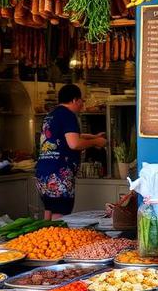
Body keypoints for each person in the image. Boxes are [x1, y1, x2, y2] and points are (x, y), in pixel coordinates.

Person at [35, 84, 107, 219]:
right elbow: (74, 143)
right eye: (81, 100)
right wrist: (96, 142)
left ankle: (45, 238)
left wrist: (92, 136)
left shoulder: (51, 115)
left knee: (49, 209)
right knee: (60, 212)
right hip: (58, 173)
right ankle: (57, 239)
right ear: (74, 100)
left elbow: (64, 137)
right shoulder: (68, 115)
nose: (82, 104)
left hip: (43, 172)